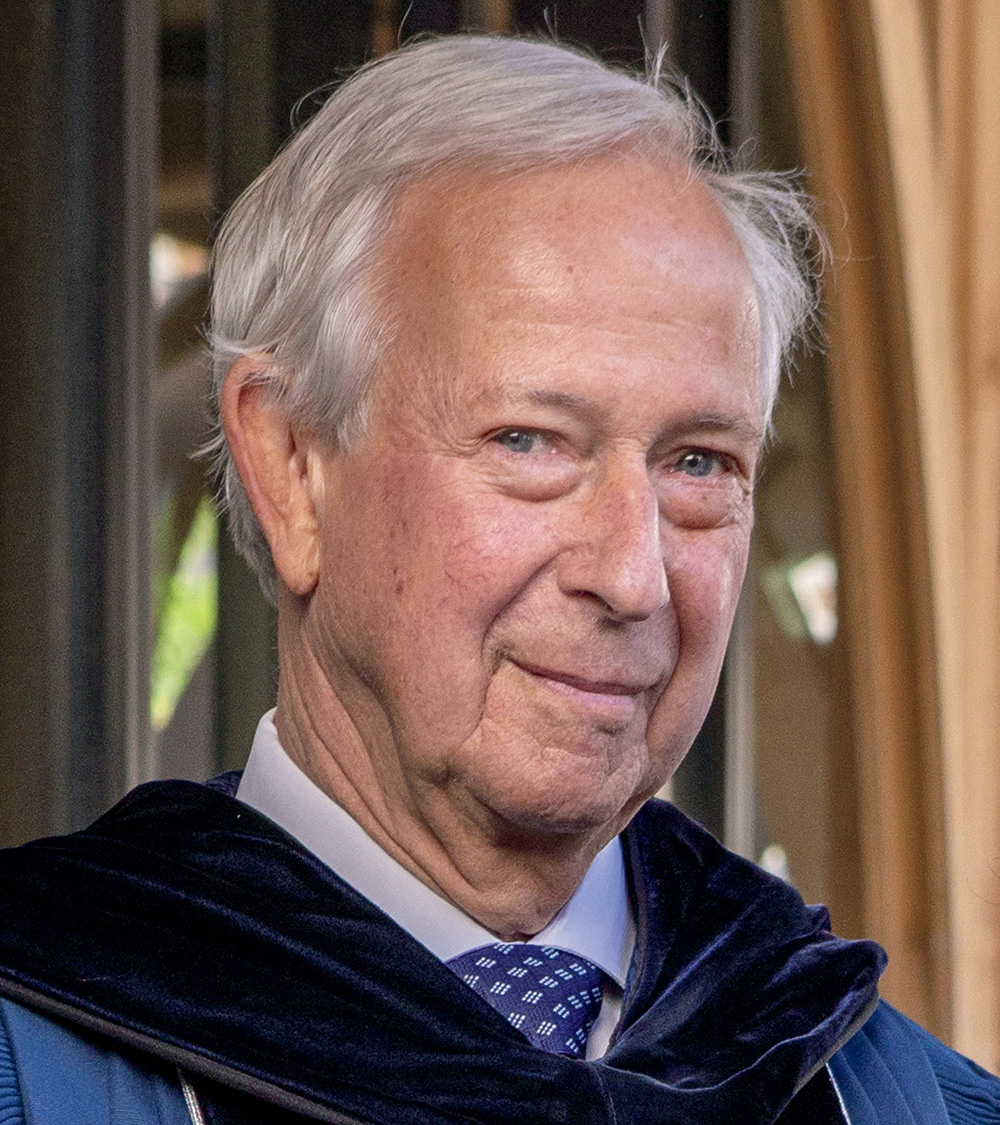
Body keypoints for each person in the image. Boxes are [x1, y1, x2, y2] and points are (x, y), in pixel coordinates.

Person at [0, 34, 997, 1125]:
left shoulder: (904, 1101)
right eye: (529, 441)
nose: (631, 576)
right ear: (292, 470)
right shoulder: (38, 1054)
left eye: (698, 463)